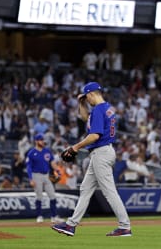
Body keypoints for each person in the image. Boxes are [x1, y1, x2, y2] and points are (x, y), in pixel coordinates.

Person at [51, 82, 132, 237]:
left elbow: (94, 135)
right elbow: (87, 119)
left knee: (109, 191)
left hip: (101, 152)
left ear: (90, 94)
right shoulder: (106, 108)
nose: (87, 100)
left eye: (86, 98)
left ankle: (125, 226)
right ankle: (70, 225)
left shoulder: (98, 110)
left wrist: (75, 147)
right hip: (103, 152)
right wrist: (81, 104)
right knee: (85, 189)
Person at [26, 133, 64, 223]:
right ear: (36, 141)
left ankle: (54, 216)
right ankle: (39, 216)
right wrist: (31, 179)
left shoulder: (47, 151)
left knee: (52, 195)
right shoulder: (31, 153)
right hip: (36, 175)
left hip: (46, 175)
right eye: (41, 140)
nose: (43, 142)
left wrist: (57, 170)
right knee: (39, 196)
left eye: (43, 140)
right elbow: (28, 167)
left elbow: (52, 162)